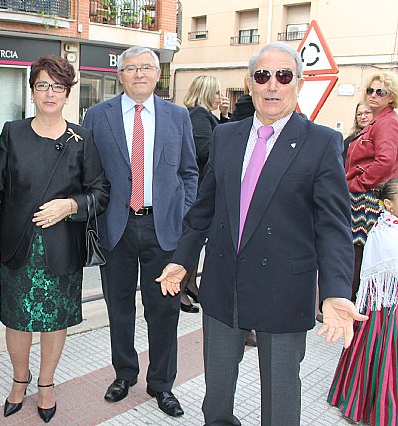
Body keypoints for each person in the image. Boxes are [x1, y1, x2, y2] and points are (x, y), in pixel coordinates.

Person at [156, 42, 367, 426]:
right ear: (249, 84)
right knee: (216, 400)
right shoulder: (225, 136)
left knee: (280, 401)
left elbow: (334, 225)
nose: (273, 85)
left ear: (298, 85)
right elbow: (203, 209)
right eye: (263, 76)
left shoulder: (321, 143)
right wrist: (181, 259)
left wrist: (336, 291)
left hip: (284, 288)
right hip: (223, 285)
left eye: (283, 76)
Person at [0, 55, 109, 423]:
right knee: (17, 320)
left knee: (55, 320)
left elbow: (100, 192)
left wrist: (70, 205)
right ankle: (20, 380)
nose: (50, 93)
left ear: (68, 93)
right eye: (42, 85)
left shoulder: (83, 137)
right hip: (18, 245)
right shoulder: (12, 133)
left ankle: (47, 383)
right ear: (32, 90)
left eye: (58, 86)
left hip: (61, 247)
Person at [83, 46, 198, 418]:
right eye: (130, 68)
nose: (138, 74)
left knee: (163, 309)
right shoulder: (97, 116)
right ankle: (124, 374)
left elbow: (190, 172)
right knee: (118, 307)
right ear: (120, 74)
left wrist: (183, 218)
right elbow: (89, 171)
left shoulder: (178, 116)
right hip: (115, 226)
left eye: (146, 67)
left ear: (157, 73)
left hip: (163, 229)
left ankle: (162, 384)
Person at [328, 178, 398, 425]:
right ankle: (375, 405)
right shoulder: (386, 232)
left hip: (386, 303)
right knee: (382, 354)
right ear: (388, 204)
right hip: (385, 311)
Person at [345, 71, 398, 303]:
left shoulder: (387, 123)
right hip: (363, 199)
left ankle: (358, 316)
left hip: (368, 201)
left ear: (391, 97)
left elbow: (386, 161)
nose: (373, 95)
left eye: (381, 92)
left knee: (360, 259)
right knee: (357, 258)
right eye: (370, 90)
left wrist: (357, 183)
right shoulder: (378, 122)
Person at [179, 75, 229, 314]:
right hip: (198, 190)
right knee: (193, 239)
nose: (221, 97)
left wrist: (224, 118)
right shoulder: (198, 115)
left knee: (197, 240)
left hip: (200, 188)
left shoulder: (203, 115)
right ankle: (181, 289)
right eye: (218, 92)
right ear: (208, 93)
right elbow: (206, 150)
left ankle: (189, 284)